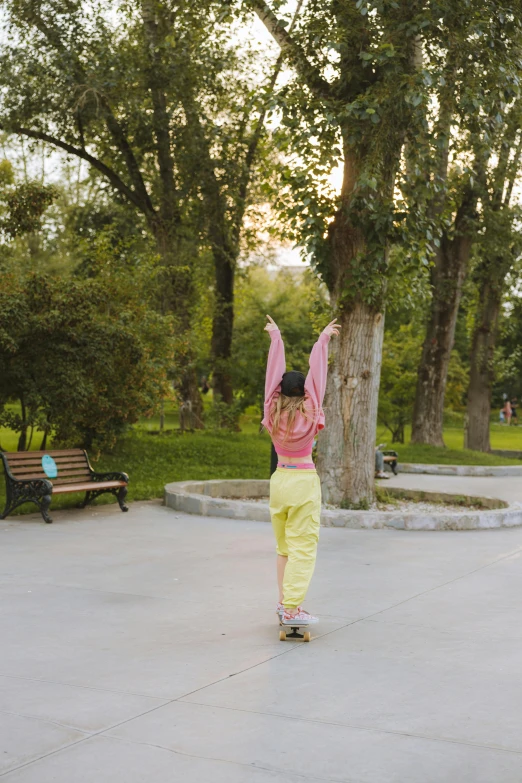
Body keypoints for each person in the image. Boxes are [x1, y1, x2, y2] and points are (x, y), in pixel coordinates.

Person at [262, 314, 340, 628]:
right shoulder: (310, 414)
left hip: (279, 481)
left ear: (279, 392)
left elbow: (271, 378)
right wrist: (323, 341)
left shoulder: (271, 412)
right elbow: (317, 381)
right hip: (303, 482)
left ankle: (284, 604)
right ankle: (292, 608)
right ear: (305, 393)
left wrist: (276, 340)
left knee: (283, 548)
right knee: (303, 547)